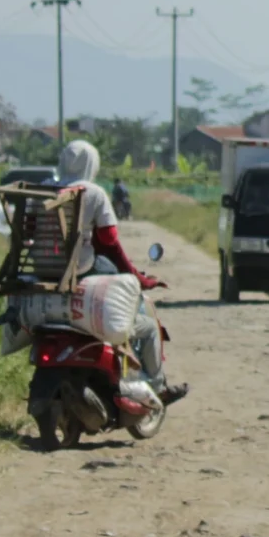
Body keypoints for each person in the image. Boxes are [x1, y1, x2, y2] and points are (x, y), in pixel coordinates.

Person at [55, 140, 186, 405]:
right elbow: (110, 241)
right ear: (92, 164)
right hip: (81, 268)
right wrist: (137, 277)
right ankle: (157, 386)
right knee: (132, 298)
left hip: (43, 270)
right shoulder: (92, 192)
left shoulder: (43, 188)